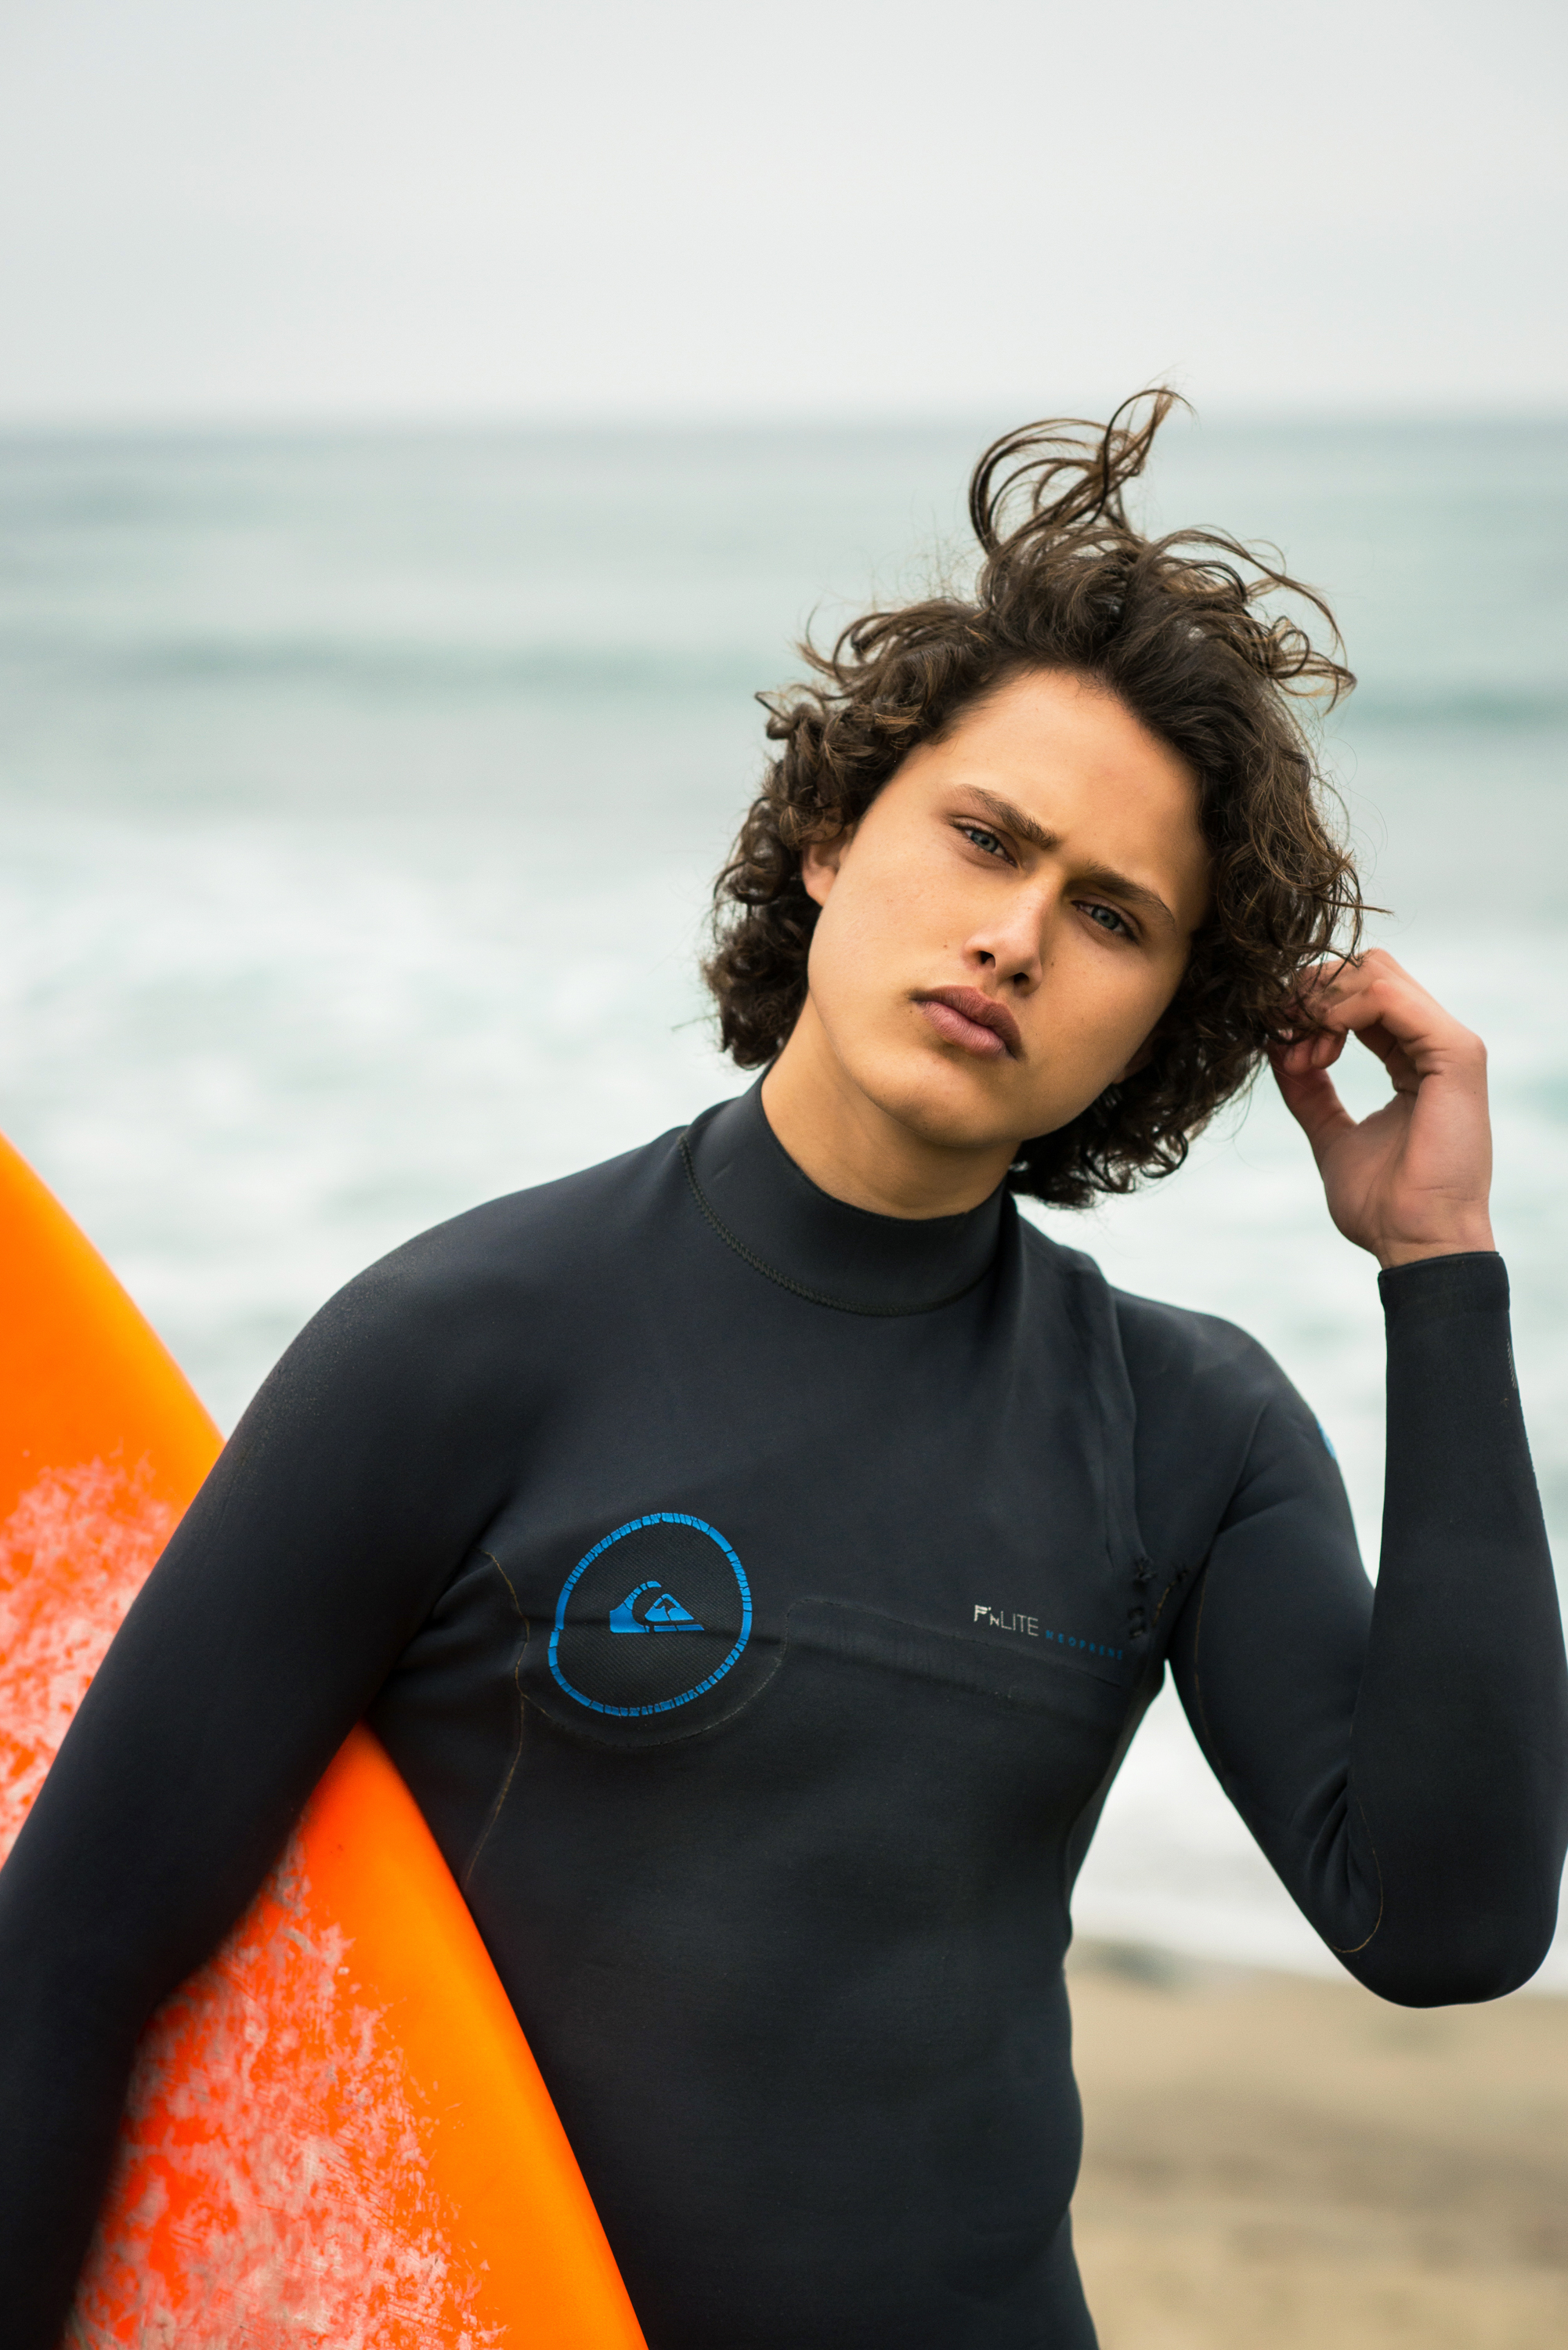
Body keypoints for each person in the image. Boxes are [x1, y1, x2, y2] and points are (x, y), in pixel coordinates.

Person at [2, 393, 1563, 2350]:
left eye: (1110, 917)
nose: (1012, 938)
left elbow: (1447, 1926)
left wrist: (1439, 1267)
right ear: (832, 838)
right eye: (981, 838)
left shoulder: (1190, 1432)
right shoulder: (461, 1343)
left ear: (1161, 1015)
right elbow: (71, 1956)